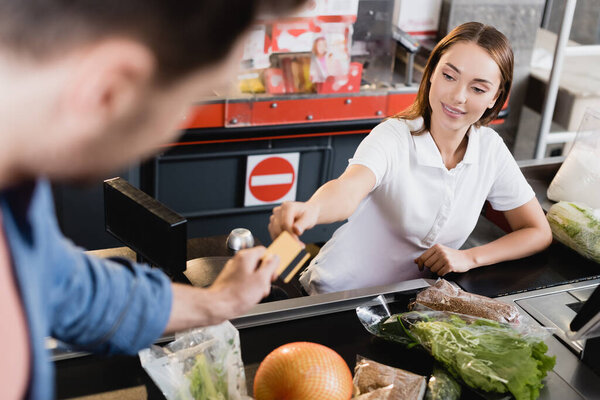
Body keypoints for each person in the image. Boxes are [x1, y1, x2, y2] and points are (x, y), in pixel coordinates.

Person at [0, 1, 306, 399]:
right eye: (189, 100)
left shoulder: (19, 183)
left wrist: (218, 301)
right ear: (108, 91)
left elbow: (62, 284)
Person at [269, 22, 553, 295]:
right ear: (431, 73)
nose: (457, 96)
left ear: (496, 97)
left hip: (407, 308)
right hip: (334, 296)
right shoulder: (393, 136)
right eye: (449, 76)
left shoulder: (490, 150)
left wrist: (470, 258)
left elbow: (538, 231)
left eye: (477, 89)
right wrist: (312, 211)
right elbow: (347, 189)